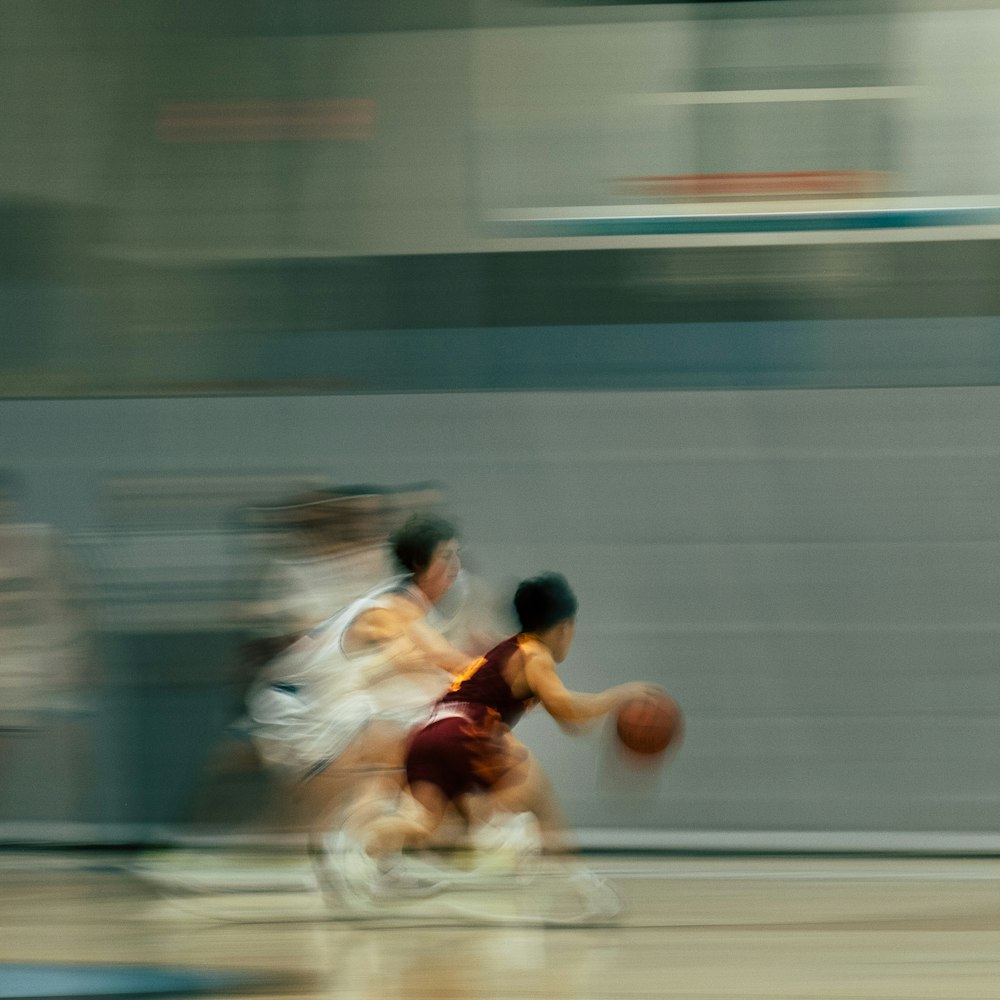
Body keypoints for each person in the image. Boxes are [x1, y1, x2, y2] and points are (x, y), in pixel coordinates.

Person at [338, 571, 659, 900]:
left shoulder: (509, 650)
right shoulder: (535, 654)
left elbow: (571, 720)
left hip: (429, 731)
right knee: (538, 795)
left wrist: (605, 721)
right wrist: (618, 697)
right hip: (461, 731)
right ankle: (578, 886)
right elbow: (565, 708)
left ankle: (352, 849)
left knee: (424, 825)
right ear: (564, 627)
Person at [246, 513, 474, 839]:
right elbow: (443, 660)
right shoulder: (394, 607)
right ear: (419, 564)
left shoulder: (415, 611)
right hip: (296, 712)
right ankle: (357, 848)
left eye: (457, 555)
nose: (455, 566)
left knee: (402, 758)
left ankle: (368, 853)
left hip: (324, 709)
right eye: (446, 556)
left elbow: (426, 671)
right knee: (410, 748)